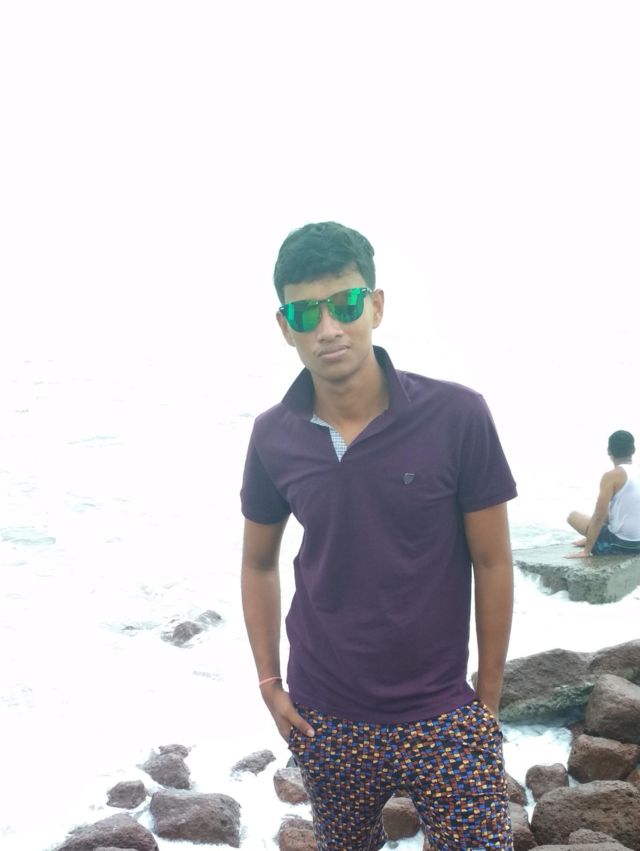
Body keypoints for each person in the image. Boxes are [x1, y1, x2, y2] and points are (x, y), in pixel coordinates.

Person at [240, 221, 517, 851]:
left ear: (376, 306)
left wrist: (488, 700)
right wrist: (270, 685)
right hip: (324, 714)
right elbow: (258, 563)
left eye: (345, 304)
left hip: (445, 710)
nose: (328, 328)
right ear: (284, 326)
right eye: (305, 312)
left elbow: (493, 560)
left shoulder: (457, 415)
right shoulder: (272, 435)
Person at [566, 430, 640, 558]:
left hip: (621, 545)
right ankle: (592, 537)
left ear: (609, 451)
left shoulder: (611, 476)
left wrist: (586, 551)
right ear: (633, 449)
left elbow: (599, 516)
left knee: (573, 516)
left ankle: (594, 540)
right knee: (612, 512)